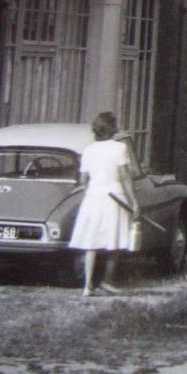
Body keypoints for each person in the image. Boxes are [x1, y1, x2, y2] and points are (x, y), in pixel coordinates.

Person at [69, 112, 140, 296]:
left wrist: (86, 187)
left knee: (91, 242)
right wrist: (134, 202)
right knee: (115, 239)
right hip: (114, 196)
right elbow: (125, 177)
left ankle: (87, 286)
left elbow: (83, 179)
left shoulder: (88, 150)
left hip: (93, 197)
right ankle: (108, 280)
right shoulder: (119, 148)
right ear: (112, 128)